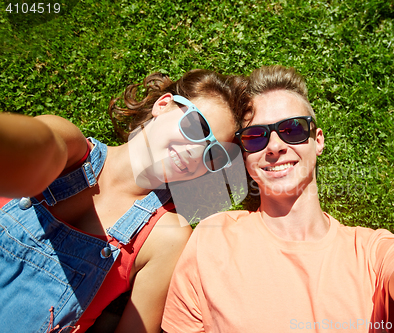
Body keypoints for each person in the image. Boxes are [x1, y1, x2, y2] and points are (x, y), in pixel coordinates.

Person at [161, 65, 394, 333]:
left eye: (292, 129)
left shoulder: (372, 252)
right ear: (245, 155)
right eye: (255, 137)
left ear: (317, 140)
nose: (276, 147)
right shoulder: (211, 239)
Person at [0, 69, 248, 332]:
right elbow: (32, 142)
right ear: (163, 105)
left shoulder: (166, 237)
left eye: (213, 154)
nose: (196, 152)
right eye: (197, 126)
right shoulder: (71, 148)